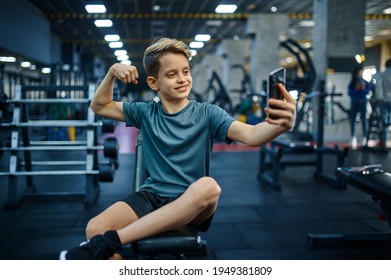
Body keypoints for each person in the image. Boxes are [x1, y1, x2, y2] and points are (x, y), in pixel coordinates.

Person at [59, 38, 296, 260]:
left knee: (209, 186)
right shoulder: (145, 113)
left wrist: (281, 125)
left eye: (185, 71)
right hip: (152, 196)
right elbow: (99, 105)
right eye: (172, 74)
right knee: (94, 227)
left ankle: (111, 241)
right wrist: (112, 72)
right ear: (154, 83)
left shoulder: (207, 113)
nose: (182, 79)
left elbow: (252, 135)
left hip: (191, 202)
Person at [348, 66, 371, 149]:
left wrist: (362, 89)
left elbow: (368, 91)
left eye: (360, 73)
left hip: (363, 101)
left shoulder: (365, 82)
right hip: (354, 101)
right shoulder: (352, 83)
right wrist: (356, 90)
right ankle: (352, 137)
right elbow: (350, 92)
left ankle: (365, 137)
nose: (359, 74)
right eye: (358, 73)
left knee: (364, 119)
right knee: (352, 119)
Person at [376, 58, 391, 149]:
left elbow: (378, 86)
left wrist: (380, 97)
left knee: (384, 121)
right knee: (387, 121)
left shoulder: (381, 74)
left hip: (383, 100)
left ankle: (384, 142)